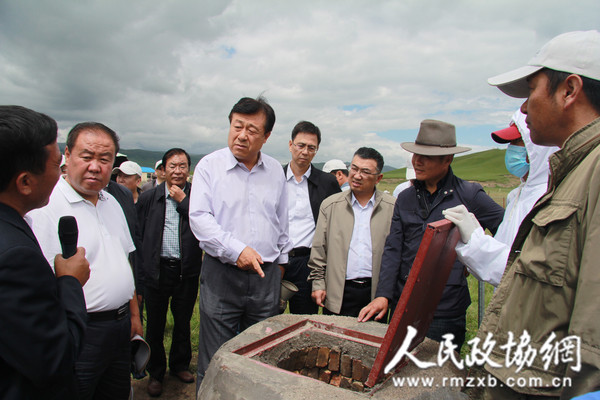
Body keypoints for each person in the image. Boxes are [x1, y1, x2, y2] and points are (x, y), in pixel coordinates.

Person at [475, 30, 600, 399]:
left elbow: (592, 345)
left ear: (569, 90)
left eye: (532, 90)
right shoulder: (573, 172)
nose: (526, 108)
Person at [358, 120, 504, 351]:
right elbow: (394, 248)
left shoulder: (469, 195)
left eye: (427, 156)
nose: (418, 161)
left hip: (445, 308)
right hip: (404, 304)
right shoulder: (405, 198)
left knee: (437, 375)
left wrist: (477, 254)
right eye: (416, 154)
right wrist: (384, 294)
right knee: (396, 369)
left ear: (448, 159)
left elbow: (510, 231)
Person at [27, 122, 143, 400]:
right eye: (87, 156)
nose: (95, 166)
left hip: (120, 327)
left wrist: (135, 315)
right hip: (80, 332)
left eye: (105, 159)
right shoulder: (46, 206)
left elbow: (122, 259)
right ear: (67, 155)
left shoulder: (111, 202)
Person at [189, 96, 292, 386]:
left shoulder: (274, 170)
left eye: (252, 130)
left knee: (259, 354)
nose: (242, 136)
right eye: (237, 126)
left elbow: (282, 221)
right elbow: (199, 218)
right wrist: (237, 251)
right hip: (222, 275)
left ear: (267, 136)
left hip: (265, 277)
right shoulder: (209, 166)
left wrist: (280, 265)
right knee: (215, 357)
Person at [0, 105, 90, 399]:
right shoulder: (15, 257)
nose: (61, 173)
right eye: (56, 165)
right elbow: (54, 358)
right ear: (25, 182)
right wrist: (70, 282)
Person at [444, 109, 557, 286]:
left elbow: (523, 270)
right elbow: (507, 246)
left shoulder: (549, 198)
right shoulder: (517, 195)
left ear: (537, 147)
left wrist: (475, 242)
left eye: (517, 141)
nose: (510, 149)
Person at [136, 148, 201, 397]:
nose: (178, 170)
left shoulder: (198, 197)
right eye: (172, 166)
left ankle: (179, 366)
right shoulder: (148, 198)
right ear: (163, 169)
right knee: (155, 324)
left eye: (183, 166)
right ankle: (155, 373)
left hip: (187, 270)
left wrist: (184, 202)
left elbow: (202, 225)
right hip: (157, 269)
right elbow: (139, 234)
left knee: (182, 322)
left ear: (189, 169)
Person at [307, 147, 395, 317]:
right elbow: (319, 250)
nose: (357, 175)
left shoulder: (392, 208)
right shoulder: (330, 205)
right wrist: (318, 284)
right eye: (354, 168)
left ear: (379, 178)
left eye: (365, 171)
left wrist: (386, 295)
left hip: (375, 293)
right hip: (338, 291)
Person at [283, 121, 340, 314]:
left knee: (304, 322)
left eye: (311, 147)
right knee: (267, 321)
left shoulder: (327, 183)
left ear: (316, 150)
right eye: (300, 145)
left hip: (308, 264)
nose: (305, 151)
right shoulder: (274, 177)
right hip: (276, 261)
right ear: (291, 145)